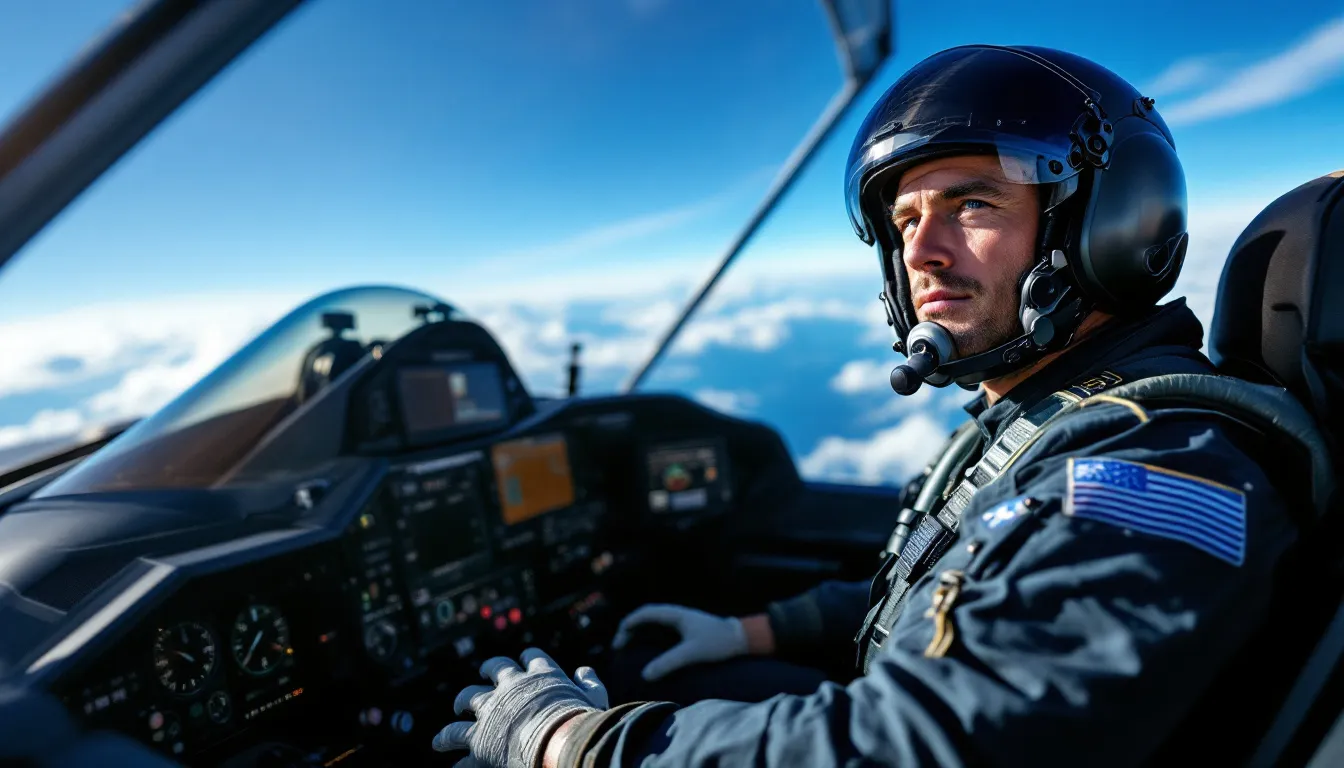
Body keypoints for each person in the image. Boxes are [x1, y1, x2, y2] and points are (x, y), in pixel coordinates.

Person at [431, 44, 1297, 767]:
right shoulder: (1055, 420)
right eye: (905, 221)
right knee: (655, 671)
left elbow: (933, 745)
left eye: (972, 203)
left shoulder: (1156, 467)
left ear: (1112, 226)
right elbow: (958, 584)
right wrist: (754, 632)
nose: (922, 252)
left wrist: (572, 742)